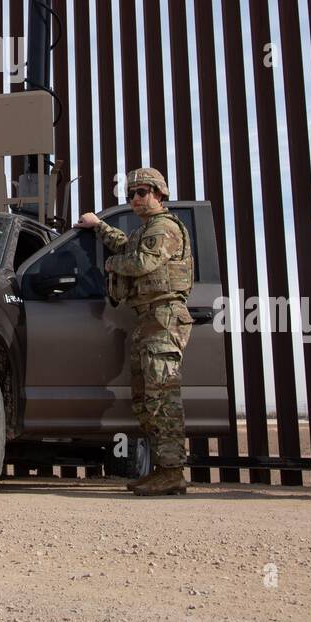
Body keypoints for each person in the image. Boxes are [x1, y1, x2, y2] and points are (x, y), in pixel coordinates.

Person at [76, 168, 194, 495]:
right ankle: (163, 470)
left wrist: (111, 265)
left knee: (162, 396)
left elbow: (140, 262)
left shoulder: (164, 228)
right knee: (145, 399)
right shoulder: (146, 231)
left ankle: (172, 471)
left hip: (164, 317)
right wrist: (98, 226)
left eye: (142, 192)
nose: (135, 200)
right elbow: (126, 245)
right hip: (149, 319)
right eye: (131, 194)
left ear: (158, 193)